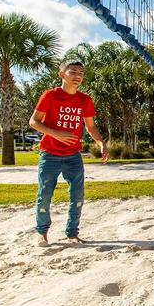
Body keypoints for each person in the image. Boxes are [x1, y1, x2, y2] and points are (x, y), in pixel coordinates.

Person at [29, 61, 109, 246]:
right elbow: (33, 122)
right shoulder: (50, 95)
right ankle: (42, 233)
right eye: (72, 71)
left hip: (73, 155)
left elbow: (90, 126)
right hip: (49, 154)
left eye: (81, 72)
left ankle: (72, 234)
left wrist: (101, 143)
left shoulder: (85, 100)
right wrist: (56, 134)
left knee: (77, 196)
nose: (77, 75)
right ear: (62, 74)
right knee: (45, 195)